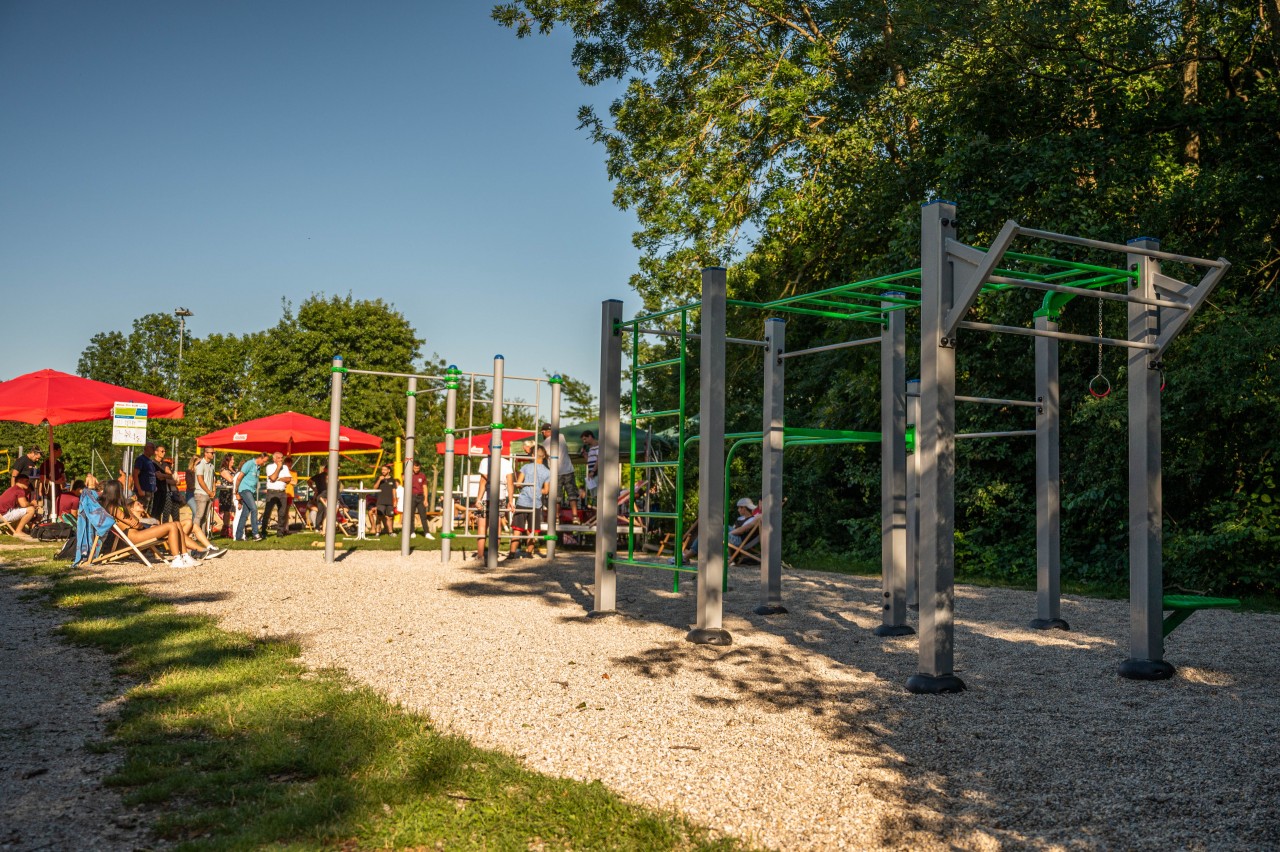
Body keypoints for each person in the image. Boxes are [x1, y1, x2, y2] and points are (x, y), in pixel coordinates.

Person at [99, 480, 205, 568]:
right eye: (121, 490)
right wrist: (138, 523)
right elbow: (135, 524)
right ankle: (177, 559)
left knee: (176, 523)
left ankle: (185, 556)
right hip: (134, 536)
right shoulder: (112, 508)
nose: (123, 493)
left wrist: (137, 522)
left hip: (137, 532)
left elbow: (134, 521)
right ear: (116, 492)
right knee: (172, 525)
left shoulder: (117, 506)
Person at [508, 447, 551, 559]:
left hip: (523, 501)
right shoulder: (547, 471)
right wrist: (537, 490)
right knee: (532, 530)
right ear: (544, 456)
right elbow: (546, 491)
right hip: (536, 503)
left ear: (532, 455)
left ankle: (512, 554)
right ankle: (529, 553)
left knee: (517, 528)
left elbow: (518, 484)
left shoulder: (526, 467)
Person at [474, 449, 513, 564]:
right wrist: (510, 500)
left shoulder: (485, 461)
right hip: (500, 495)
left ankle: (480, 556)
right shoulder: (506, 462)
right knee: (498, 528)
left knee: (482, 526)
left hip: (486, 495)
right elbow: (510, 483)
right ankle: (494, 555)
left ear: (489, 448)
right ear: (501, 448)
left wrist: (478, 499)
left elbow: (483, 481)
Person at [540, 424, 580, 521]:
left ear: (544, 432)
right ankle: (575, 517)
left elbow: (543, 457)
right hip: (568, 471)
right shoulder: (561, 437)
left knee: (556, 495)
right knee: (572, 495)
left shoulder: (544, 444)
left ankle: (556, 517)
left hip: (555, 473)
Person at [234, 452, 267, 541]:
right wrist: (236, 490)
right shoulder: (249, 464)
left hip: (250, 491)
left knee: (245, 513)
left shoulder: (258, 467)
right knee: (254, 509)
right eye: (265, 461)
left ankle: (238, 536)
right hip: (244, 489)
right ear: (260, 458)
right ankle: (255, 534)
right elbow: (239, 477)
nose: (265, 463)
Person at [260, 451, 292, 538]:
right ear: (274, 459)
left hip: (282, 492)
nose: (281, 460)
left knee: (282, 513)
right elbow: (273, 478)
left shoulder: (285, 467)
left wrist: (280, 478)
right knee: (267, 512)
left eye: (282, 458)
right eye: (278, 458)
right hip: (272, 492)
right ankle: (263, 531)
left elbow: (289, 479)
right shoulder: (269, 467)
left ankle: (280, 532)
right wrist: (278, 468)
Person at [0, 474, 37, 539]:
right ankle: (18, 531)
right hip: (3, 515)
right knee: (31, 510)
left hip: (2, 514)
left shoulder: (13, 489)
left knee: (23, 510)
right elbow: (24, 504)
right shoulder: (19, 490)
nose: (28, 483)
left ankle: (15, 529)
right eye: (26, 481)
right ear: (20, 480)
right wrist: (32, 503)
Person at [192, 447, 217, 535]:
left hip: (209, 494)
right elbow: (200, 480)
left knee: (205, 517)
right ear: (206, 453)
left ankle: (202, 535)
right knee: (199, 515)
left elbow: (213, 479)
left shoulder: (212, 466)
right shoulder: (200, 464)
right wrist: (209, 492)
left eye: (213, 453)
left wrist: (213, 490)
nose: (213, 454)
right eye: (211, 453)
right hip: (201, 493)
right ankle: (195, 535)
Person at [152, 445, 180, 524]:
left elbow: (170, 475)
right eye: (162, 451)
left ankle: (160, 531)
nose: (164, 453)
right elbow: (157, 476)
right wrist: (164, 476)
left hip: (164, 491)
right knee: (154, 512)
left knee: (160, 512)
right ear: (156, 452)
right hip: (155, 491)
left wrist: (162, 475)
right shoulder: (153, 463)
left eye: (165, 451)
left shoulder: (165, 464)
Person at [408, 460, 433, 538]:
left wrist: (425, 499)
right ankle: (412, 532)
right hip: (411, 496)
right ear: (412, 467)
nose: (416, 470)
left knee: (423, 515)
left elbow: (425, 487)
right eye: (415, 468)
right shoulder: (408, 474)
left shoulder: (422, 475)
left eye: (418, 468)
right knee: (411, 515)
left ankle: (427, 533)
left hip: (420, 497)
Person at [132, 442, 158, 512]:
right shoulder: (141, 459)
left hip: (150, 491)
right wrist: (139, 489)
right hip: (143, 491)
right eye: (152, 448)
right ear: (146, 448)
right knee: (142, 510)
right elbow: (135, 474)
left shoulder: (150, 461)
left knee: (148, 511)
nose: (154, 450)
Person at [372, 463, 398, 536]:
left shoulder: (392, 480)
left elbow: (394, 490)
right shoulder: (379, 478)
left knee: (390, 517)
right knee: (379, 517)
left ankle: (390, 532)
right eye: (382, 469)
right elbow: (375, 488)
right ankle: (377, 532)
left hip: (389, 502)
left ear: (388, 470)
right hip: (380, 501)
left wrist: (395, 500)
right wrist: (379, 480)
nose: (383, 471)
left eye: (385, 470)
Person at [581, 430, 599, 507]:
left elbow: (599, 459)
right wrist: (584, 454)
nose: (584, 441)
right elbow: (589, 461)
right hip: (592, 474)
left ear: (590, 436)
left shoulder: (598, 446)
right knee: (594, 495)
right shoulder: (591, 448)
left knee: (598, 494)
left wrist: (593, 471)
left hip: (596, 473)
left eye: (585, 439)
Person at [309, 464, 328, 534]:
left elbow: (309, 481)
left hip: (321, 495)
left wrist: (314, 489)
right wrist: (314, 489)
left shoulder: (319, 476)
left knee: (322, 512)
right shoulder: (321, 476)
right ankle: (319, 527)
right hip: (322, 495)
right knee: (324, 512)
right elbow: (309, 481)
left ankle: (319, 527)